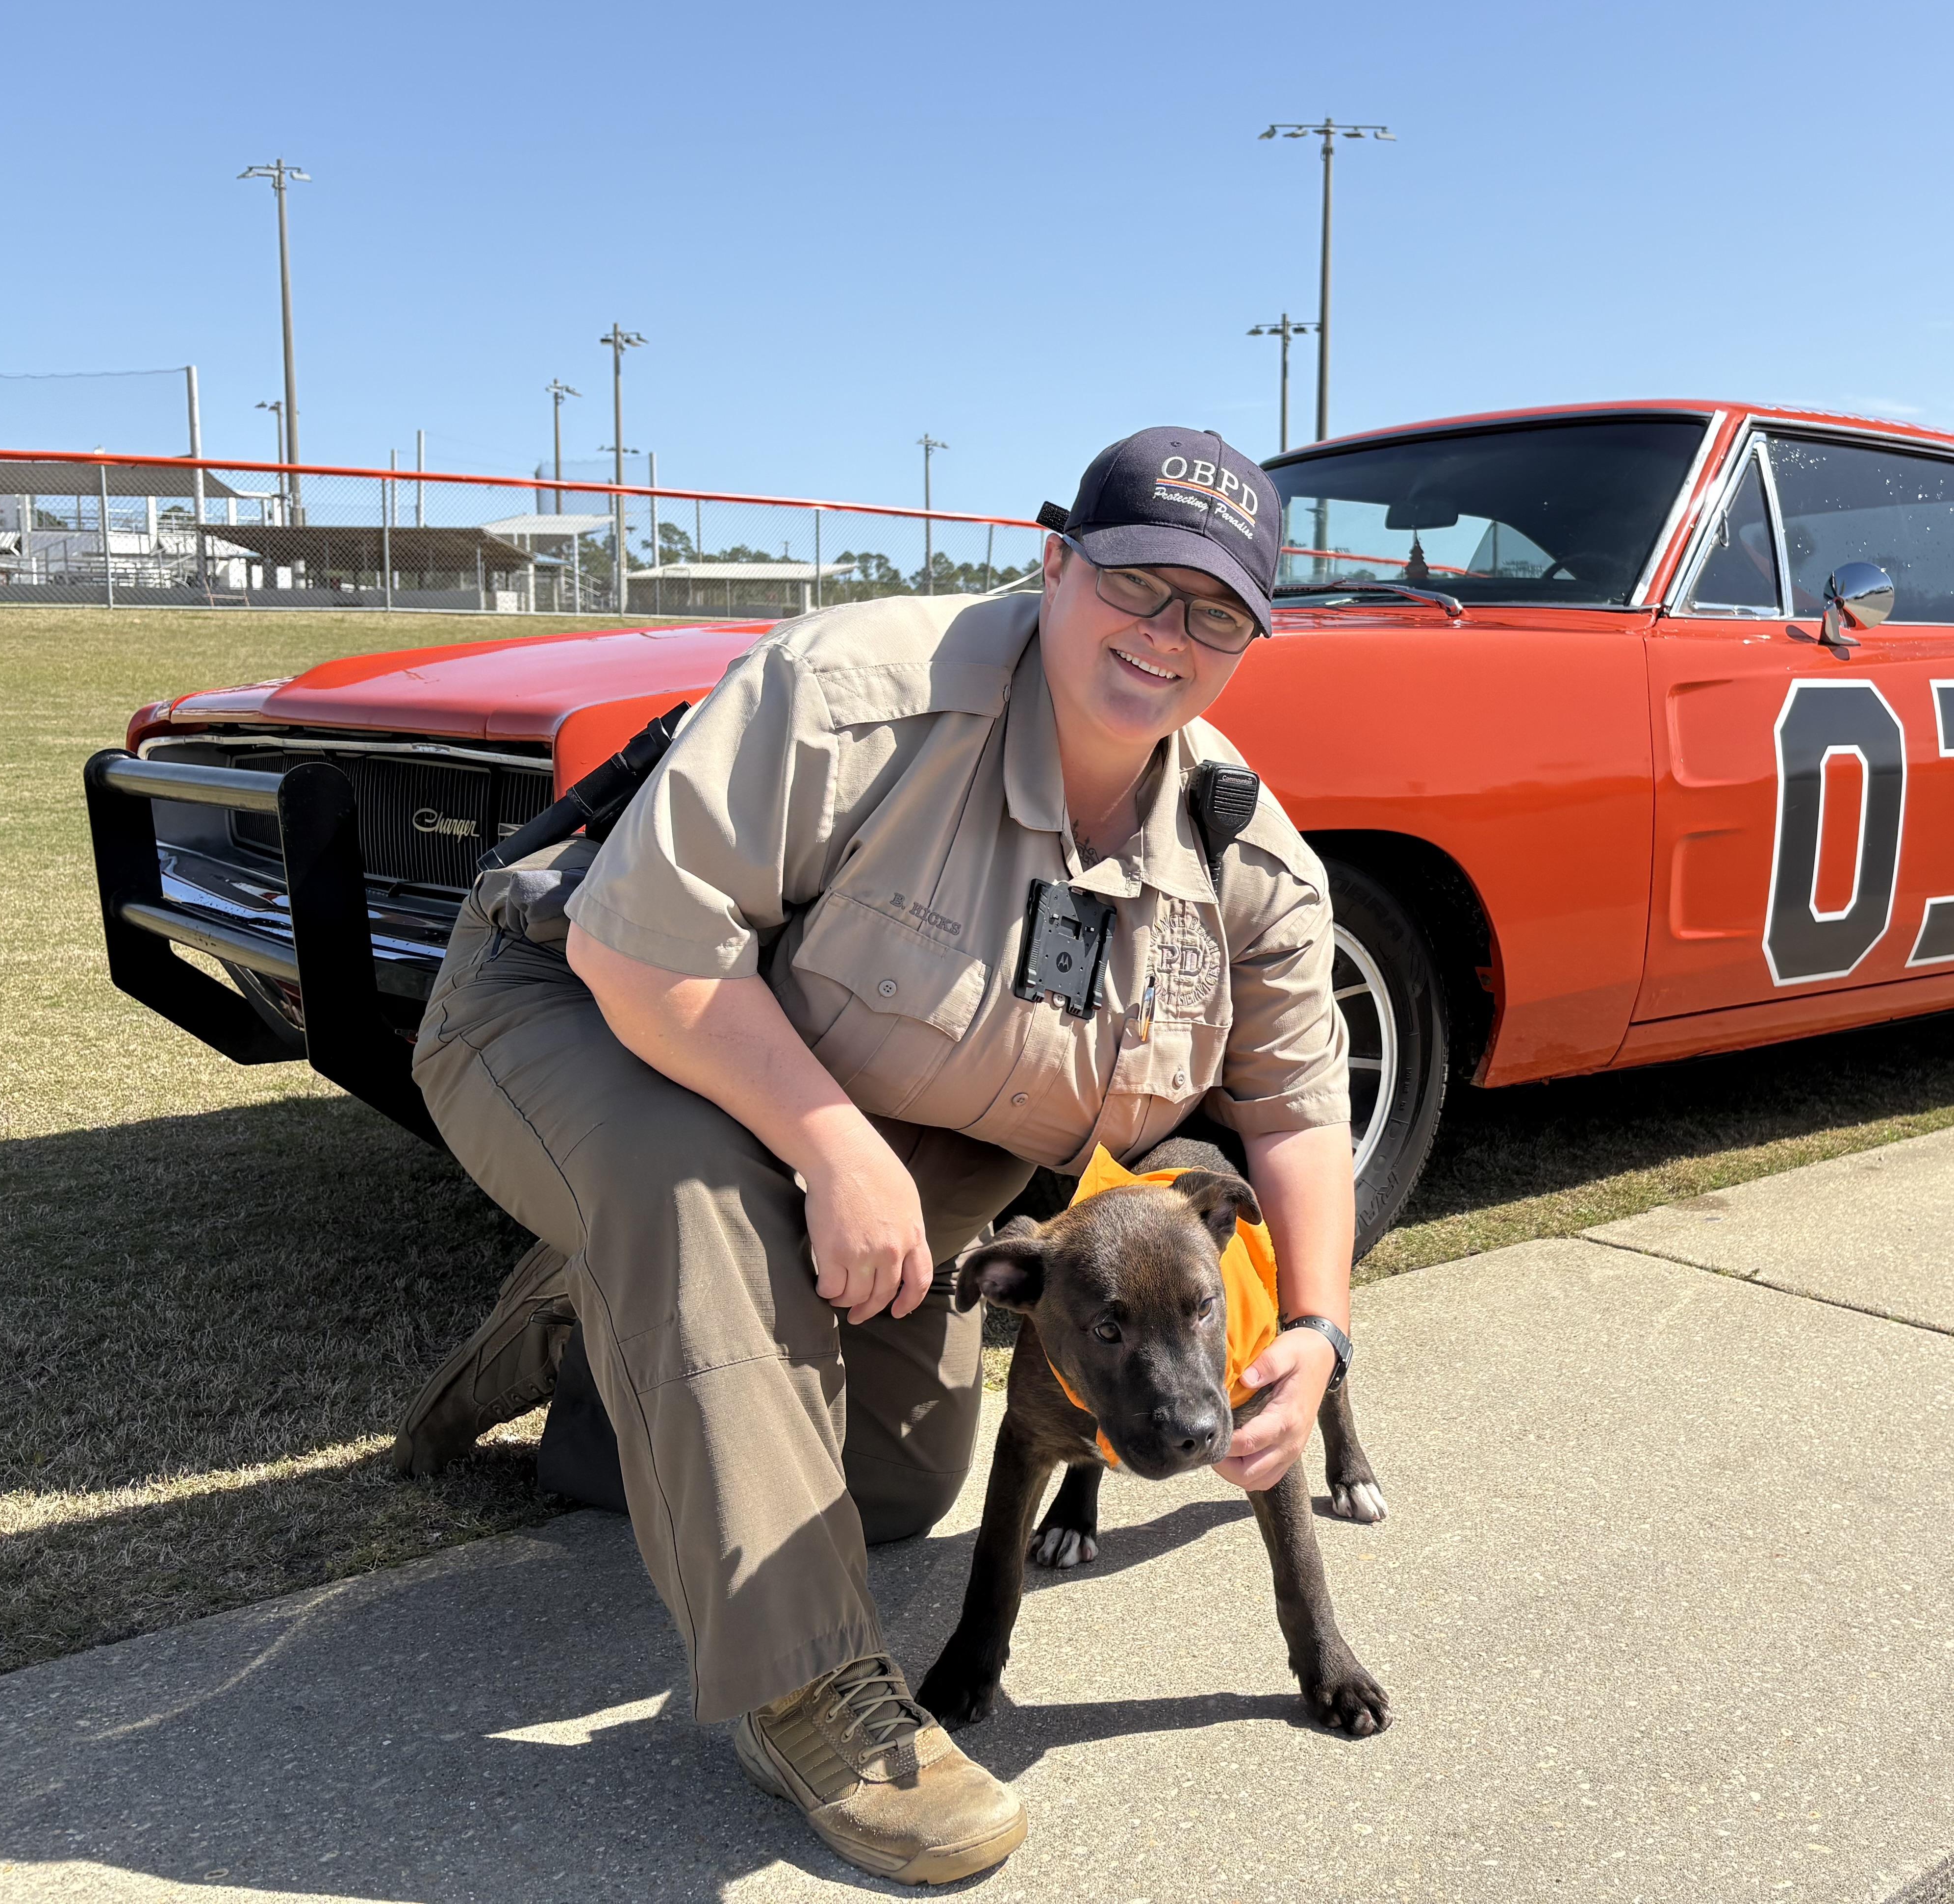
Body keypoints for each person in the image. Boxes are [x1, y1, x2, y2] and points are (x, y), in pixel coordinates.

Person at [393, 427, 1355, 1886]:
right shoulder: (858, 694)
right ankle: (813, 1697)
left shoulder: (1246, 862)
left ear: (1248, 640)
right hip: (577, 997)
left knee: (894, 1492)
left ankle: (598, 1336)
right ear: (1054, 565)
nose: (1166, 635)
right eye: (1135, 585)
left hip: (830, 1092)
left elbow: (1292, 1112)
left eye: (1213, 611)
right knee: (695, 1195)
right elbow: (635, 948)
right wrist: (834, 1147)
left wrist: (1319, 1331)